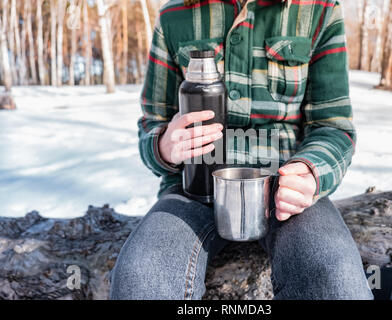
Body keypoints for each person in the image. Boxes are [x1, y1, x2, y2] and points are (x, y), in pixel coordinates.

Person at [110, 0, 373, 300]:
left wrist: (310, 173)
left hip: (285, 193)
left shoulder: (318, 11)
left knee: (333, 275)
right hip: (193, 190)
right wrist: (164, 145)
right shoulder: (175, 15)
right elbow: (151, 124)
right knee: (141, 274)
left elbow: (333, 126)